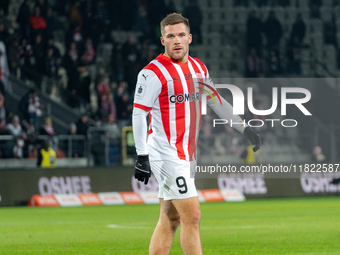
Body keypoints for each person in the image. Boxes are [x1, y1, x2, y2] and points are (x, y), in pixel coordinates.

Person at [132, 13, 261, 255]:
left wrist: (244, 127)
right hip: (165, 152)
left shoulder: (198, 67)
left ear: (189, 37)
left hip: (188, 154)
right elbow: (139, 114)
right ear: (163, 40)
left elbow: (215, 100)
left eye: (181, 35)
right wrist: (142, 155)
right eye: (171, 36)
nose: (177, 41)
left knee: (170, 219)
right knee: (193, 215)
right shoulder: (152, 73)